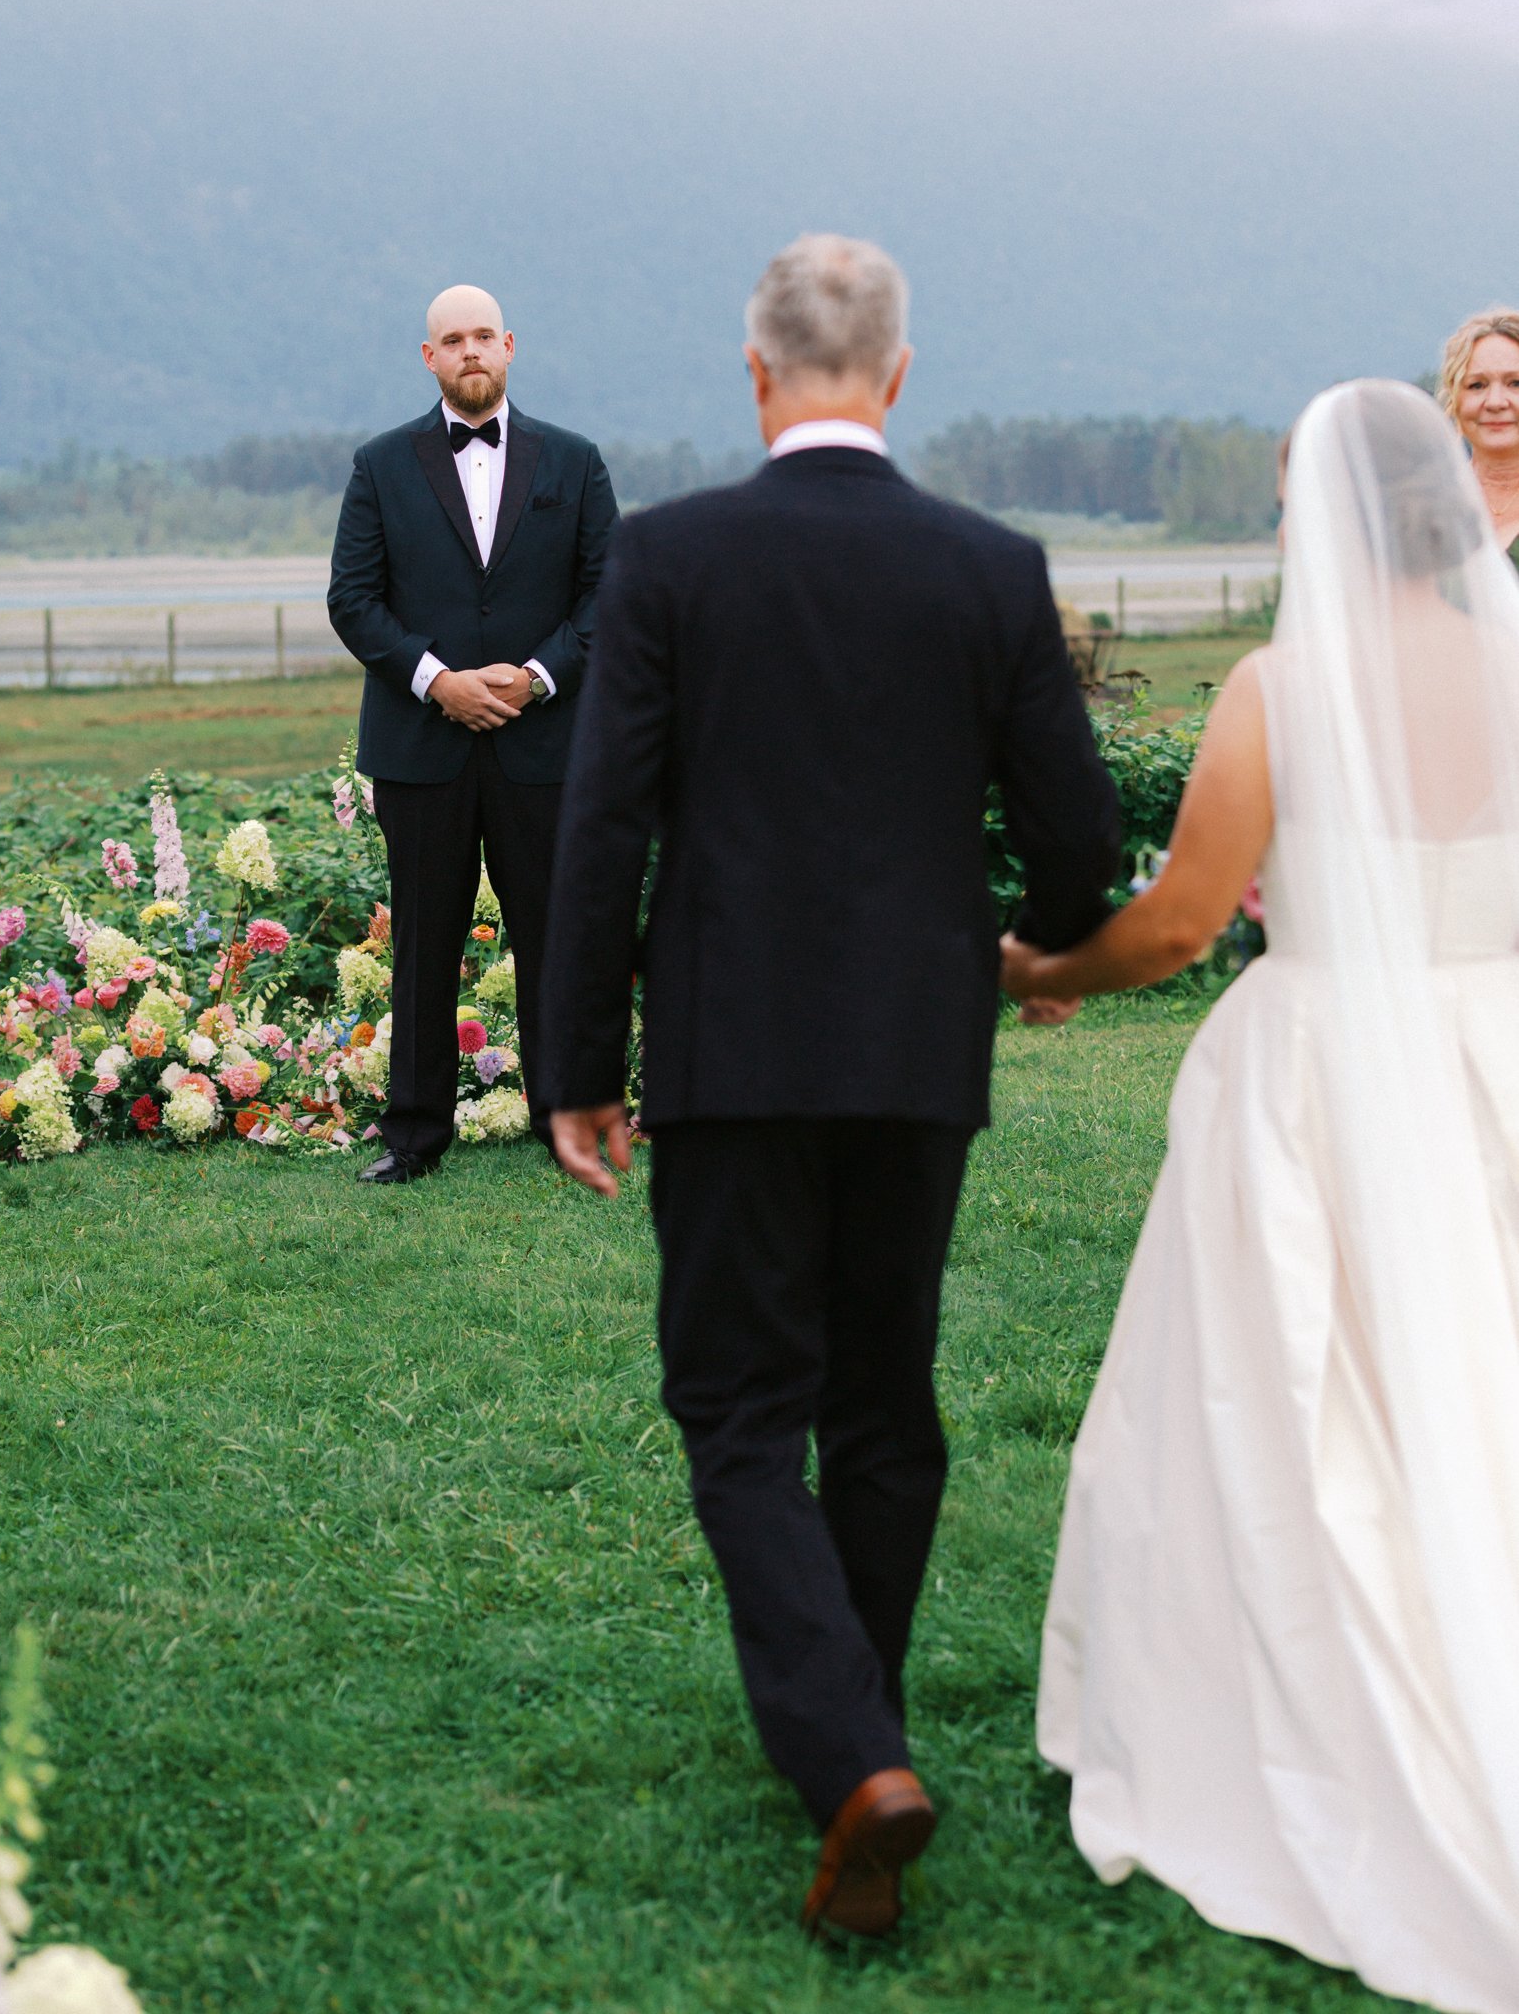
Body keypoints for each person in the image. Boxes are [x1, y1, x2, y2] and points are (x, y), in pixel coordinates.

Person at [540, 235, 1121, 1936]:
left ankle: (853, 1755)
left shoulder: (670, 559)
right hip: (915, 1048)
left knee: (739, 1415)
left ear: (753, 371)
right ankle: (854, 1727)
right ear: (900, 371)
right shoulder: (990, 567)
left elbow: (604, 829)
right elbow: (1077, 825)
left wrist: (576, 1063)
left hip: (730, 1053)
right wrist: (1045, 945)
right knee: (886, 1403)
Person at [1005, 380, 1519, 2014]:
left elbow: (1177, 920)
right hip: (1497, 1044)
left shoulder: (1285, 687)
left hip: (1326, 1069)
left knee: (1296, 1396)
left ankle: (1332, 1690)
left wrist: (1047, 965)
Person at [328, 285, 617, 1182]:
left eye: (483, 336)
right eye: (451, 340)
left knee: (554, 937)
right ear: (429, 358)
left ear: (511, 346)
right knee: (424, 940)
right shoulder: (381, 465)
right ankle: (414, 1135)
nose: (470, 352)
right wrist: (436, 681)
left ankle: (564, 1121)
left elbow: (610, 596)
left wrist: (535, 678)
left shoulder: (574, 461)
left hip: (547, 745)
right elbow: (352, 599)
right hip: (423, 748)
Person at [1439, 306, 1519, 558]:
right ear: (1454, 398)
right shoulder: (1427, 506)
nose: (1496, 402)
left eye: (1515, 383)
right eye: (1477, 385)